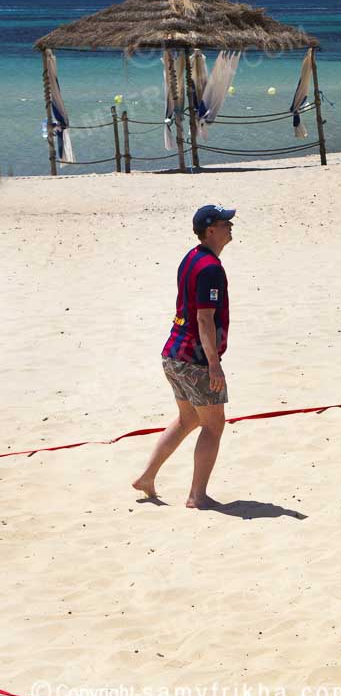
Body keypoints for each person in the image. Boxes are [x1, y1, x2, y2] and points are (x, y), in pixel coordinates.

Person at [132, 205, 237, 508]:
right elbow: (205, 319)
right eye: (224, 222)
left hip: (173, 353)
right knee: (214, 425)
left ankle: (147, 476)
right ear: (210, 230)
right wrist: (214, 365)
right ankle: (197, 495)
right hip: (195, 360)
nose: (230, 226)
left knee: (188, 418)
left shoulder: (191, 257)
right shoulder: (211, 269)